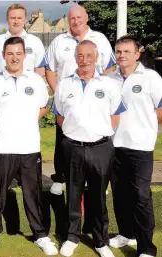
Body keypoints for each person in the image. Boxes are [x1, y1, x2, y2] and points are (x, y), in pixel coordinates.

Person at [0, 37, 58, 255]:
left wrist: (29, 121)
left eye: (18, 54)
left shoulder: (36, 81)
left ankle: (40, 235)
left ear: (24, 55)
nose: (14, 58)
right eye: (10, 54)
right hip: (3, 148)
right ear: (4, 55)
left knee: (33, 194)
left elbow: (44, 106)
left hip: (30, 149)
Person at [53, 40, 125, 257]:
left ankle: (101, 241)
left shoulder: (110, 84)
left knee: (99, 197)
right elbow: (59, 115)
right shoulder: (64, 84)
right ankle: (72, 237)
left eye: (88, 56)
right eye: (80, 56)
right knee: (73, 195)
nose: (84, 60)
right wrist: (76, 132)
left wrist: (97, 134)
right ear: (75, 58)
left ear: (96, 58)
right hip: (72, 147)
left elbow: (115, 117)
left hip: (101, 148)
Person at [44, 5, 117, 195]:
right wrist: (59, 91)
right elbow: (50, 70)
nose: (76, 21)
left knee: (99, 139)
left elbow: (109, 68)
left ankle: (101, 178)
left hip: (95, 98)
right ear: (68, 20)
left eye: (79, 17)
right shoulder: (59, 41)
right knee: (63, 140)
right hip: (68, 100)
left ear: (86, 18)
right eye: (72, 18)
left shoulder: (99, 39)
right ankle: (60, 177)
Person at [108, 35, 161, 257]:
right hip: (115, 145)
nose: (122, 55)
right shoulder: (111, 79)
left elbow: (160, 109)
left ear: (137, 54)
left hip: (140, 146)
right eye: (118, 51)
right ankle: (125, 233)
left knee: (141, 196)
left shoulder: (151, 78)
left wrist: (145, 128)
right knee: (120, 194)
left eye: (126, 51)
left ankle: (146, 248)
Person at [0, 3, 45, 79]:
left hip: (27, 89)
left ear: (25, 20)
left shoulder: (36, 42)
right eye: (13, 18)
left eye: (19, 18)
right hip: (2, 89)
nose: (16, 21)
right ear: (7, 20)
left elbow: (40, 70)